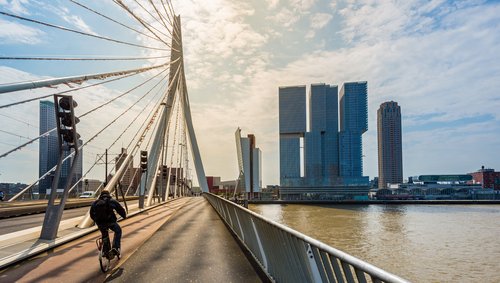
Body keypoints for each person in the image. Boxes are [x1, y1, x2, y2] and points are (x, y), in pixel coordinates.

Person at [90, 190, 126, 257]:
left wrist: (97, 221)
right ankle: (115, 248)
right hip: (111, 222)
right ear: (108, 194)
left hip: (100, 224)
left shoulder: (95, 203)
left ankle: (105, 251)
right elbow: (120, 209)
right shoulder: (112, 201)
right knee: (118, 231)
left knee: (105, 234)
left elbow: (91, 214)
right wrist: (124, 216)